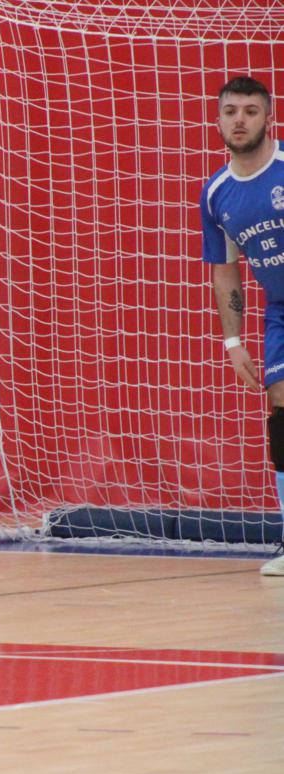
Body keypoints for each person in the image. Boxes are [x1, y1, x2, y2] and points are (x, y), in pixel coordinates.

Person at [202, 75, 284, 576]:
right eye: (231, 111)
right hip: (280, 311)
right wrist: (233, 341)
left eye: (250, 111)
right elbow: (225, 269)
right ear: (217, 120)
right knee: (282, 407)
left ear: (269, 117)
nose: (240, 120)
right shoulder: (216, 194)